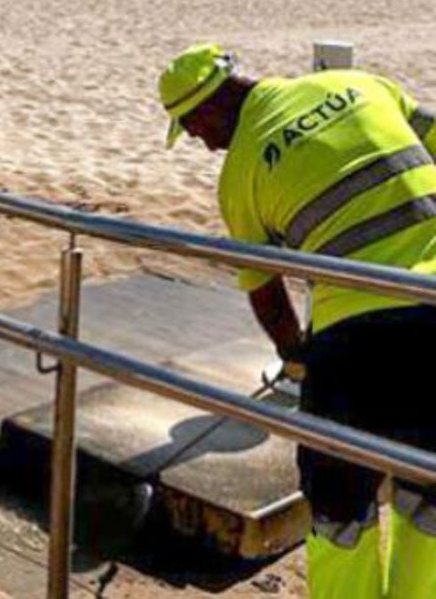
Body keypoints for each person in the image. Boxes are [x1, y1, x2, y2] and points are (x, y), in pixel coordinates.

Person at [158, 44, 436, 599]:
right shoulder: (357, 82)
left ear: (211, 106)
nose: (198, 141)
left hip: (354, 338)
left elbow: (266, 292)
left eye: (190, 127)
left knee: (339, 508)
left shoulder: (239, 176)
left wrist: (297, 357)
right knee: (428, 492)